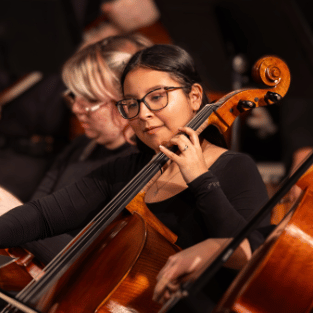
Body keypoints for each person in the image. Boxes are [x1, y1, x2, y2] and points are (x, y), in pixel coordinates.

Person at [0, 44, 270, 312]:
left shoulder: (235, 167)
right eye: (131, 104)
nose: (143, 113)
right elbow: (42, 217)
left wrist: (200, 179)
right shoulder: (125, 171)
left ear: (195, 97)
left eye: (157, 97)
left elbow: (250, 254)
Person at [15, 34, 152, 265]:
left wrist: (15, 217)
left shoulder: (138, 168)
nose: (77, 108)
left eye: (89, 99)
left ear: (127, 102)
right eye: (74, 95)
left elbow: (86, 263)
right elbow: (36, 209)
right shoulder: (81, 146)